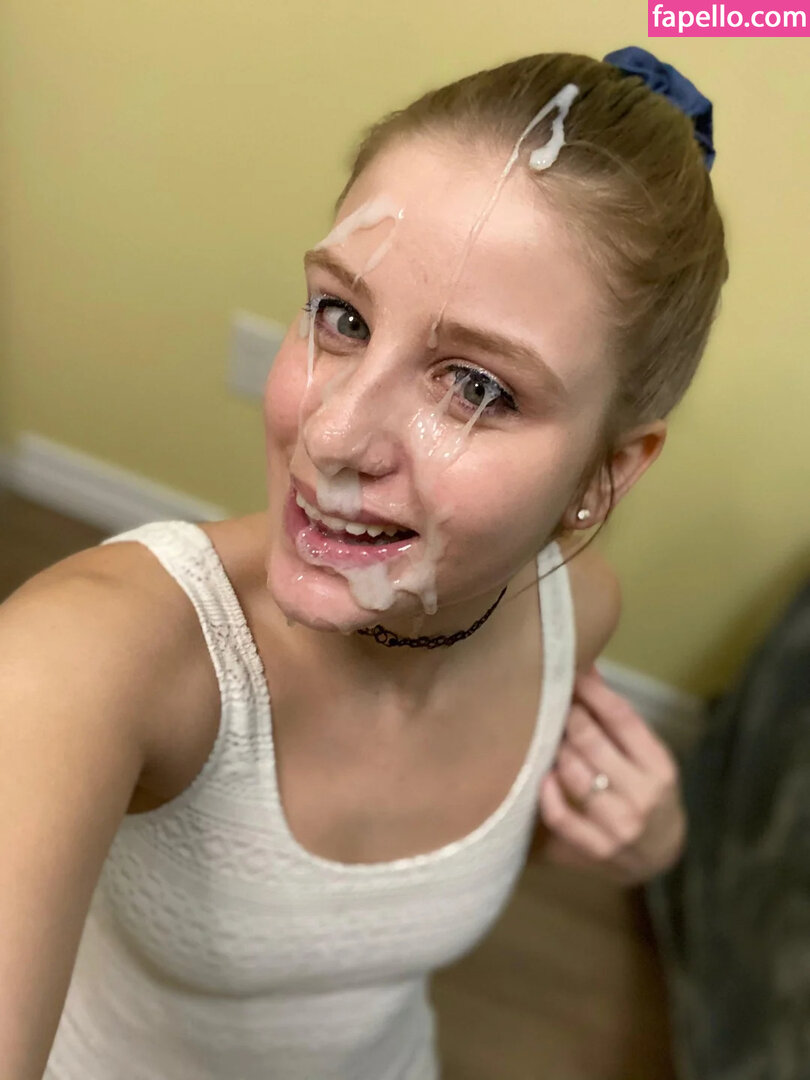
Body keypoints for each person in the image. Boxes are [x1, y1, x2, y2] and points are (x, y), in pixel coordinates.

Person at [0, 45, 725, 1080]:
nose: (332, 434)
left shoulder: (580, 614)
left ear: (605, 475)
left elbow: (421, 889)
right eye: (341, 318)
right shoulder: (90, 654)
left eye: (476, 387)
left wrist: (649, 842)